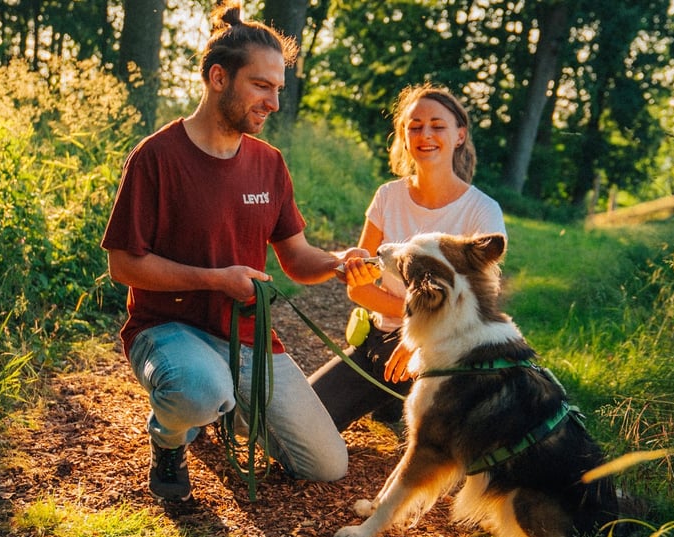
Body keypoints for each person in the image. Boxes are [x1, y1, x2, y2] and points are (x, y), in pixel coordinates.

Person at [101, 1, 368, 503]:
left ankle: (213, 404)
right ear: (218, 77)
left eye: (278, 90)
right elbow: (124, 265)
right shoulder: (156, 156)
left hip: (245, 337)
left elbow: (296, 258)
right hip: (166, 330)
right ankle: (171, 435)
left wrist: (338, 264)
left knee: (327, 465)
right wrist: (216, 278)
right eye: (261, 86)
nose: (273, 102)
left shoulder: (270, 163)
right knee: (199, 390)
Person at [309, 84, 507, 432]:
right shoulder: (387, 196)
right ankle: (388, 399)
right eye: (415, 126)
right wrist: (412, 325)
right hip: (382, 343)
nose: (425, 134)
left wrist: (419, 337)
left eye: (437, 125)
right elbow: (360, 289)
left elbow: (480, 310)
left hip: (447, 353)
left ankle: (398, 404)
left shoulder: (483, 212)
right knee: (299, 422)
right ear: (404, 135)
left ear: (459, 135)